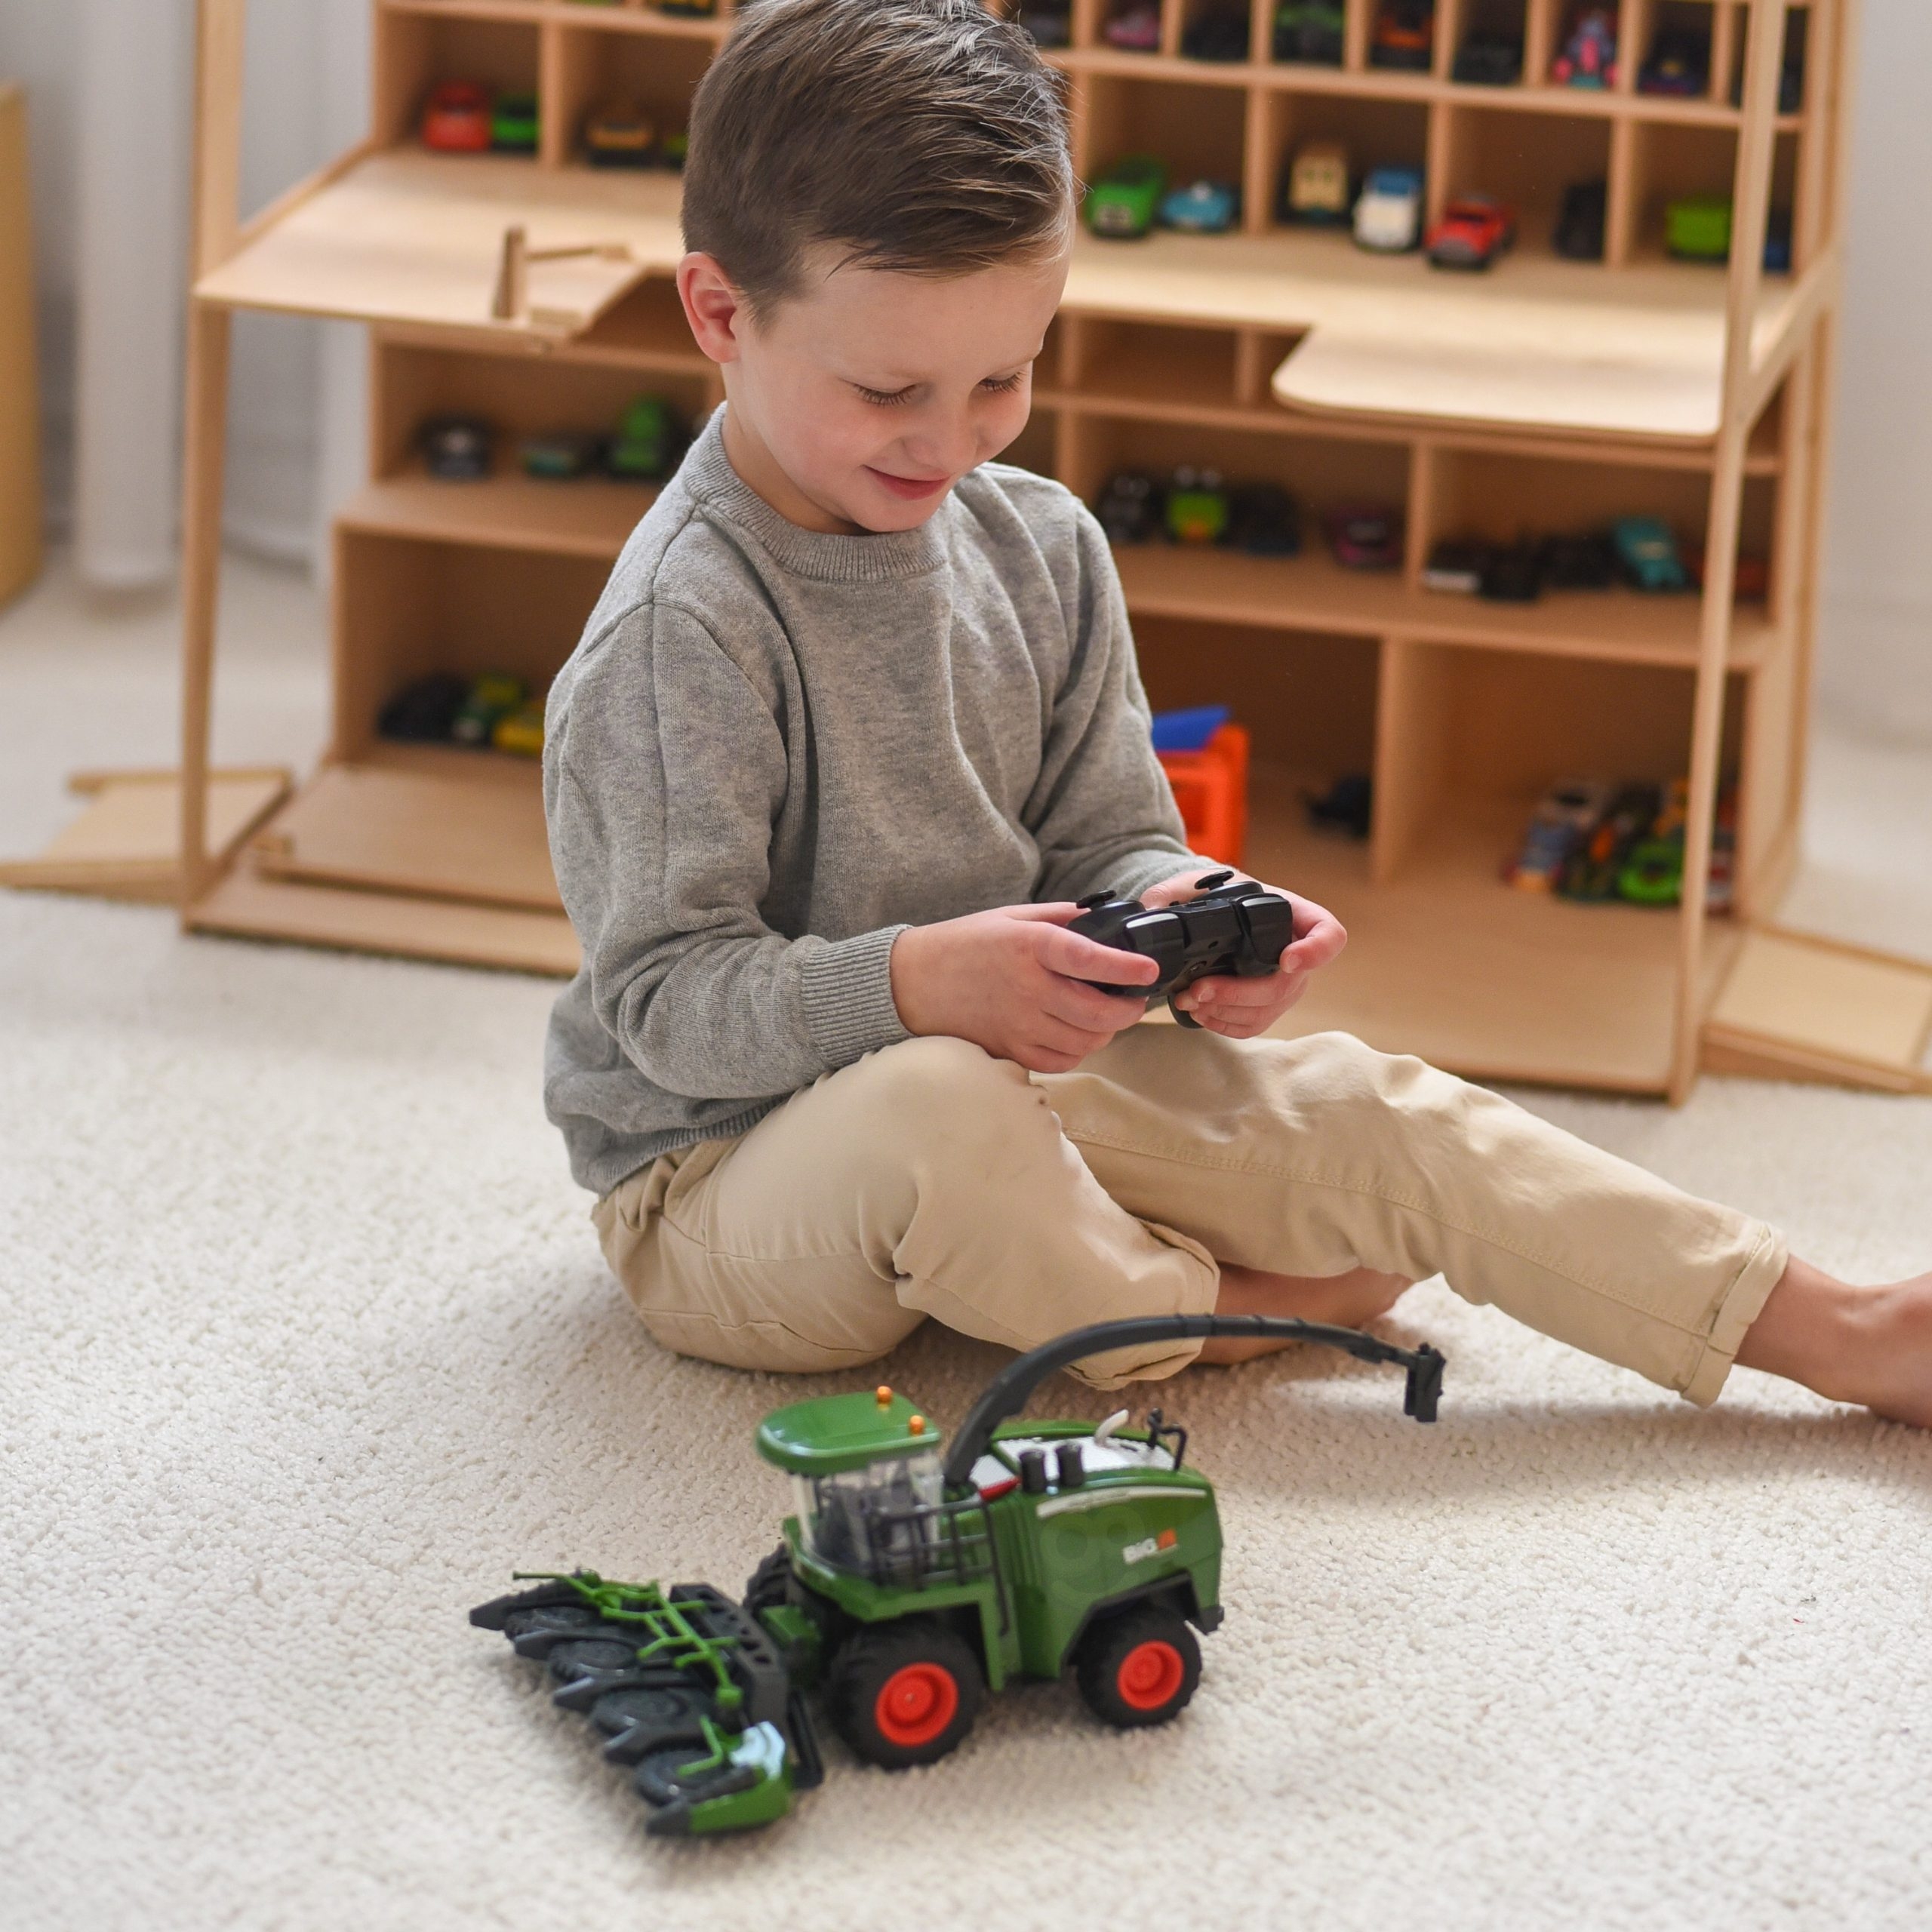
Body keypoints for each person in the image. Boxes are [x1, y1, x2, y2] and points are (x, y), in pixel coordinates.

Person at [541, 0, 1930, 1422]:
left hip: (1007, 1077)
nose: (953, 440)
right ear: (721, 313)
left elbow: (1109, 838)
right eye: (890, 389)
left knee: (1367, 1111)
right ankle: (1213, 1315)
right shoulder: (681, 633)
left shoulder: (1045, 546)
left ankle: (1843, 1330)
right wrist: (913, 985)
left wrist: (1188, 913)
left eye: (1003, 378)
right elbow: (665, 1006)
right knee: (938, 1110)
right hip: (722, 1176)